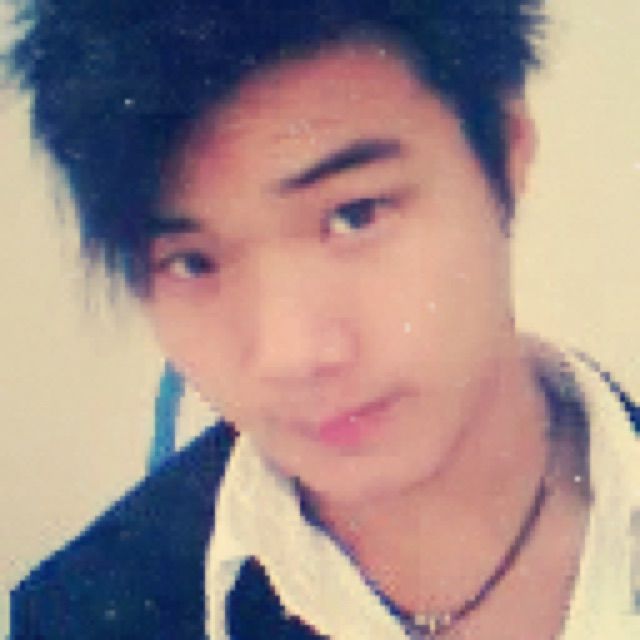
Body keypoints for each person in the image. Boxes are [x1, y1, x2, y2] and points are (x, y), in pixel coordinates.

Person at [7, 1, 640, 638]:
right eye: (193, 262)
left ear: (506, 149)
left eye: (355, 216)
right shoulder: (74, 617)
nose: (289, 353)